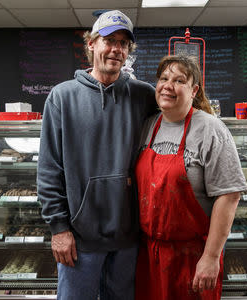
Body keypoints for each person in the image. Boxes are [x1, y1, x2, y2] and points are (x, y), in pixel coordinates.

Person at [37, 10, 156, 300]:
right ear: (91, 44)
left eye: (124, 43)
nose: (116, 49)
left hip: (128, 238)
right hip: (79, 239)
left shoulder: (144, 96)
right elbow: (49, 168)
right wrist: (59, 228)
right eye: (109, 40)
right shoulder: (62, 97)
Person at [134, 55, 247, 300]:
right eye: (164, 78)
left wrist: (211, 257)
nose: (168, 86)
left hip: (192, 258)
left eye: (179, 81)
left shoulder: (210, 129)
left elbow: (229, 196)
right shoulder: (149, 126)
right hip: (150, 255)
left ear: (194, 90)